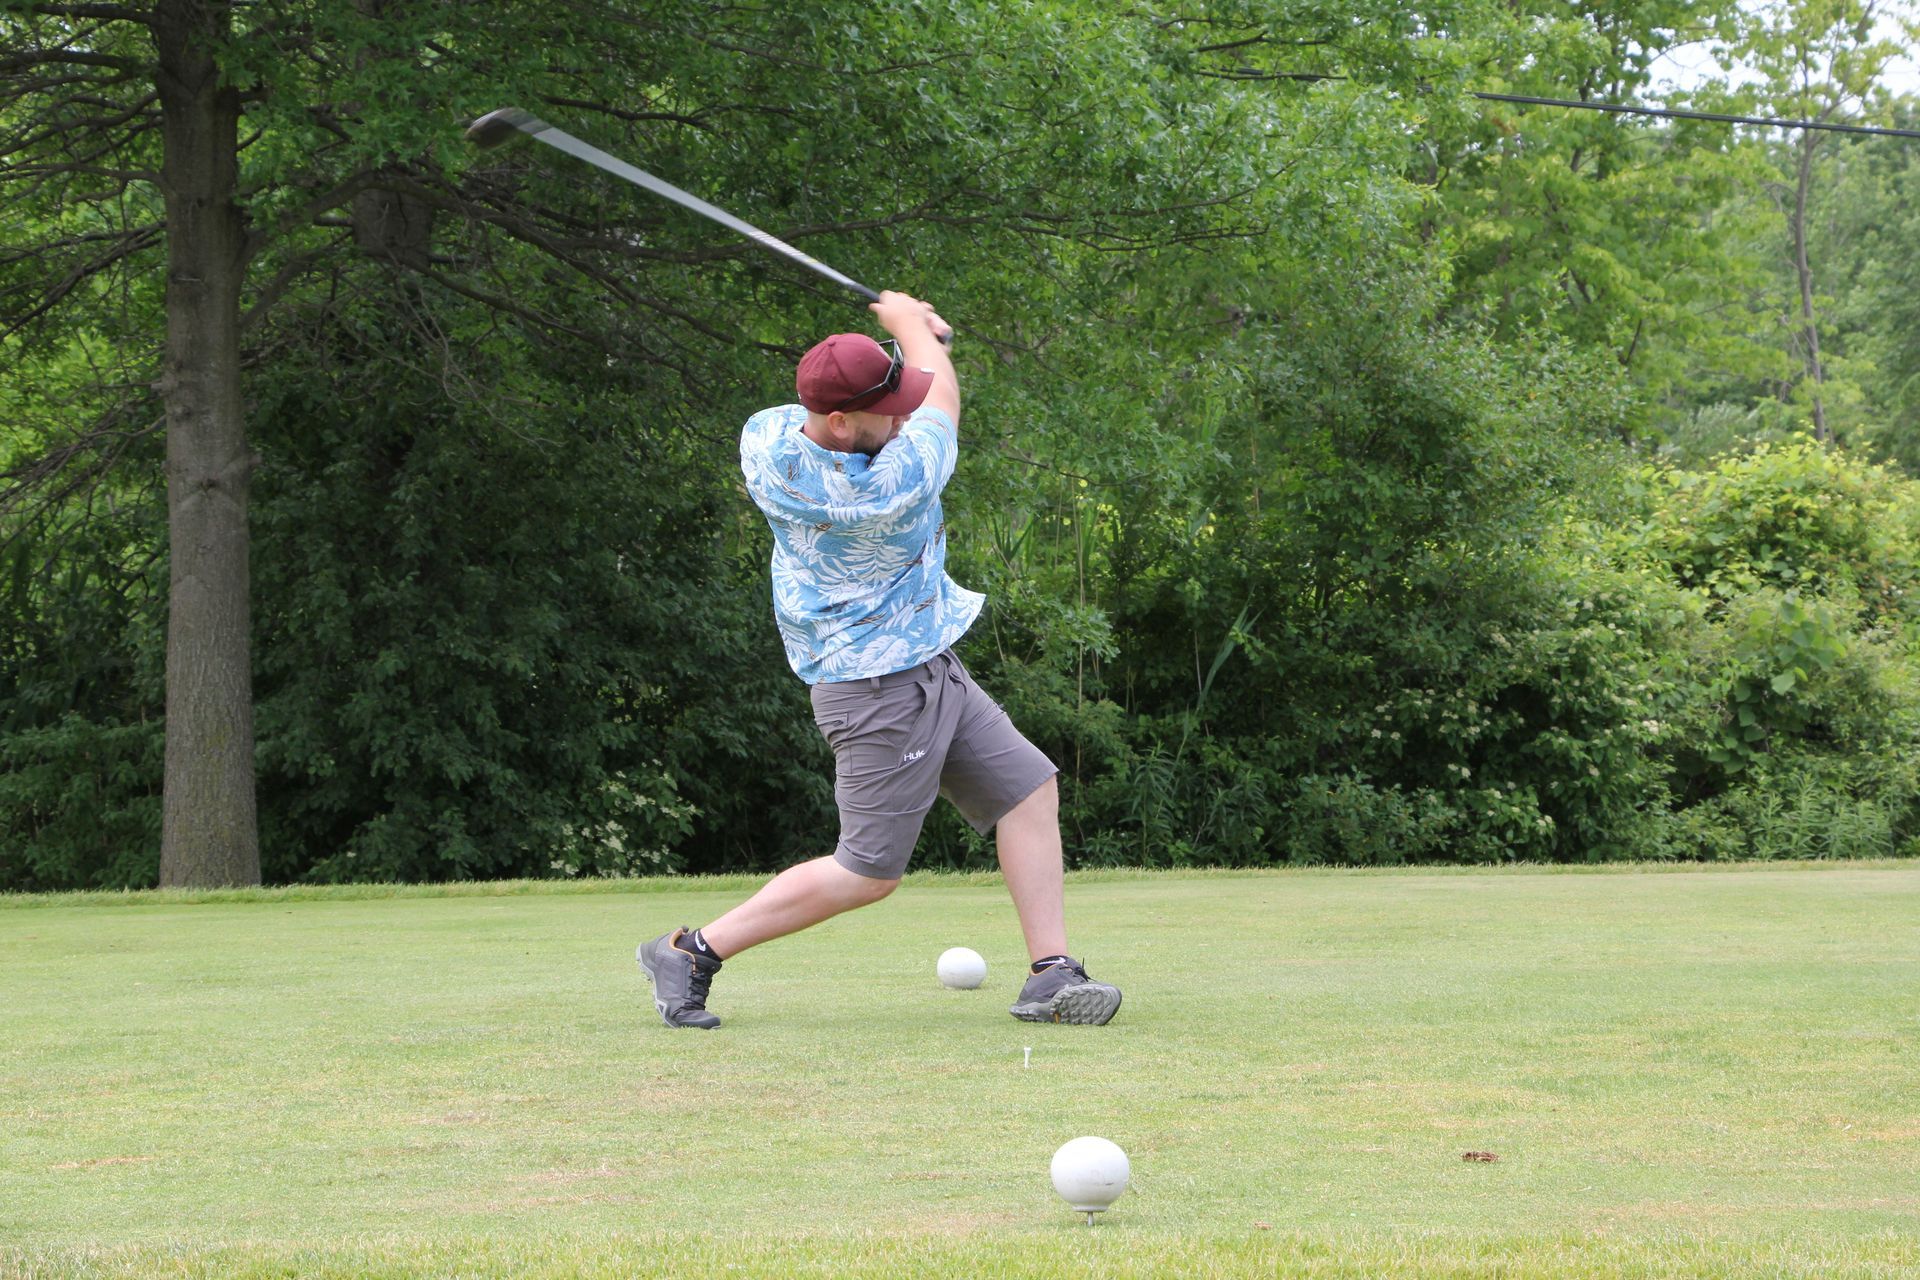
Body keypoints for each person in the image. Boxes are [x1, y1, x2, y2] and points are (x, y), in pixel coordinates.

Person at [636, 290, 1122, 1030]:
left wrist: (898, 350)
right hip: (877, 690)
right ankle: (691, 951)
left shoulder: (767, 441)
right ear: (839, 422)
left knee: (1027, 791)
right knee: (867, 872)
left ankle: (1051, 973)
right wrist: (910, 326)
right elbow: (942, 399)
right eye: (884, 410)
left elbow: (892, 398)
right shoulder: (894, 482)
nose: (899, 418)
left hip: (926, 664)